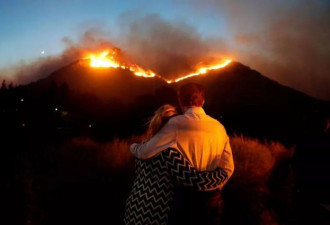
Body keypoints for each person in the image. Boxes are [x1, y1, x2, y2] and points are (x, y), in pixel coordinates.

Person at [130, 83, 234, 224]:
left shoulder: (176, 124)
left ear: (180, 100)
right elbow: (228, 168)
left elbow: (145, 152)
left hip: (185, 198)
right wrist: (213, 188)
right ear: (203, 101)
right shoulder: (219, 128)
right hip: (212, 200)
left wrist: (133, 147)